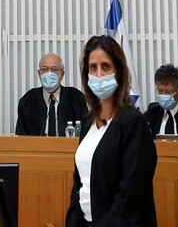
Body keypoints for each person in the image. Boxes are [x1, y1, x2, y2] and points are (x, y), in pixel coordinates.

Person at [65, 35, 157, 226]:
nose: (98, 74)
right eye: (93, 67)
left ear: (118, 72)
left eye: (105, 66)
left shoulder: (133, 122)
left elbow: (131, 195)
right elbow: (80, 184)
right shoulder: (88, 121)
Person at [15, 53, 87, 136]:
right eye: (44, 69)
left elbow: (86, 134)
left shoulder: (77, 99)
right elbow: (20, 138)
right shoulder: (27, 101)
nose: (49, 73)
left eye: (54, 69)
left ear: (62, 74)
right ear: (39, 73)